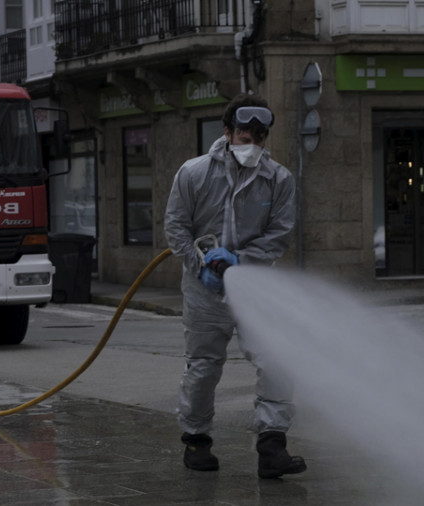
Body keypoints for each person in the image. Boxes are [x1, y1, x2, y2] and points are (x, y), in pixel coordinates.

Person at [164, 94, 306, 478]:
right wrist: (201, 264)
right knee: (205, 367)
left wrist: (242, 261)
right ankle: (196, 439)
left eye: (260, 137)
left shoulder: (278, 179)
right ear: (227, 133)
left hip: (256, 285)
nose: (253, 145)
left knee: (276, 359)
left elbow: (281, 233)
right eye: (245, 136)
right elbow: (176, 226)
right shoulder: (194, 173)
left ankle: (272, 444)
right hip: (204, 288)